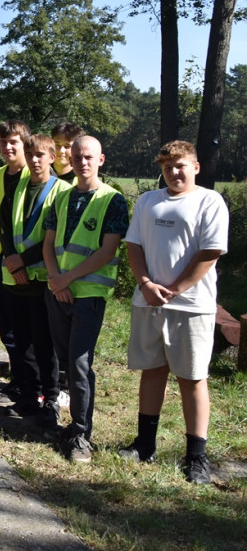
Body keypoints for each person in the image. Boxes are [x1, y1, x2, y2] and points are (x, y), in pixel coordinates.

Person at [118, 141, 228, 485]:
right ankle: (144, 444)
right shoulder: (149, 200)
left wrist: (175, 289)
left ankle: (197, 457)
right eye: (167, 167)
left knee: (192, 379)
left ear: (195, 166)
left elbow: (210, 252)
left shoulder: (209, 201)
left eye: (180, 165)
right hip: (148, 302)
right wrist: (146, 284)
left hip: (191, 306)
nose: (174, 172)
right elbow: (133, 245)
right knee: (151, 372)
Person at [42, 135, 128, 463]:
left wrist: (67, 278)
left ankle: (81, 434)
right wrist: (55, 280)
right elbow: (49, 245)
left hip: (88, 295)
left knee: (79, 365)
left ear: (101, 160)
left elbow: (107, 252)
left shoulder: (113, 200)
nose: (82, 162)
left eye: (89, 156)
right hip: (59, 292)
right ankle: (71, 427)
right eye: (77, 156)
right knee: (66, 362)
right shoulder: (61, 198)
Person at [0, 134, 68, 426]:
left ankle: (50, 398)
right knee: (23, 342)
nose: (34, 160)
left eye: (40, 155)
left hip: (45, 279)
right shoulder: (16, 188)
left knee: (45, 344)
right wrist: (14, 263)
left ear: (52, 157)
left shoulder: (63, 191)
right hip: (18, 279)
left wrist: (23, 260)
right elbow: (4, 227)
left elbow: (57, 236)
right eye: (30, 155)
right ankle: (28, 396)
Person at [0, 120, 31, 403]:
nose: (7, 147)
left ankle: (27, 385)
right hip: (0, 259)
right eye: (3, 143)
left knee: (24, 324)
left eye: (13, 142)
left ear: (25, 143)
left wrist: (25, 260)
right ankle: (19, 381)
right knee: (6, 325)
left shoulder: (35, 174)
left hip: (26, 261)